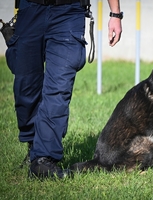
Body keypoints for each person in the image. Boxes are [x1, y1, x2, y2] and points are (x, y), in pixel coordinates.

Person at [5, 0, 122, 179]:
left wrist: (115, 14)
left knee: (58, 89)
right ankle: (34, 143)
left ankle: (43, 159)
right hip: (30, 9)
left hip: (69, 12)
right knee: (25, 87)